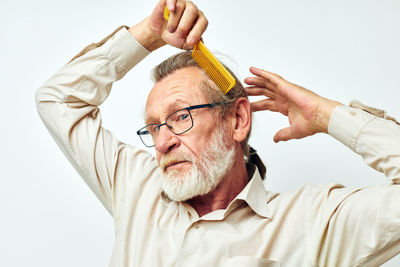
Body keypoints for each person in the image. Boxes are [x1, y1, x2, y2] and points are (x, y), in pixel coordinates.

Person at [36, 0, 400, 266]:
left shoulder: (313, 222)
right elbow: (57, 100)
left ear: (238, 120)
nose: (162, 142)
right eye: (153, 126)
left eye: (180, 117)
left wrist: (325, 114)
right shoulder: (137, 186)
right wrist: (148, 35)